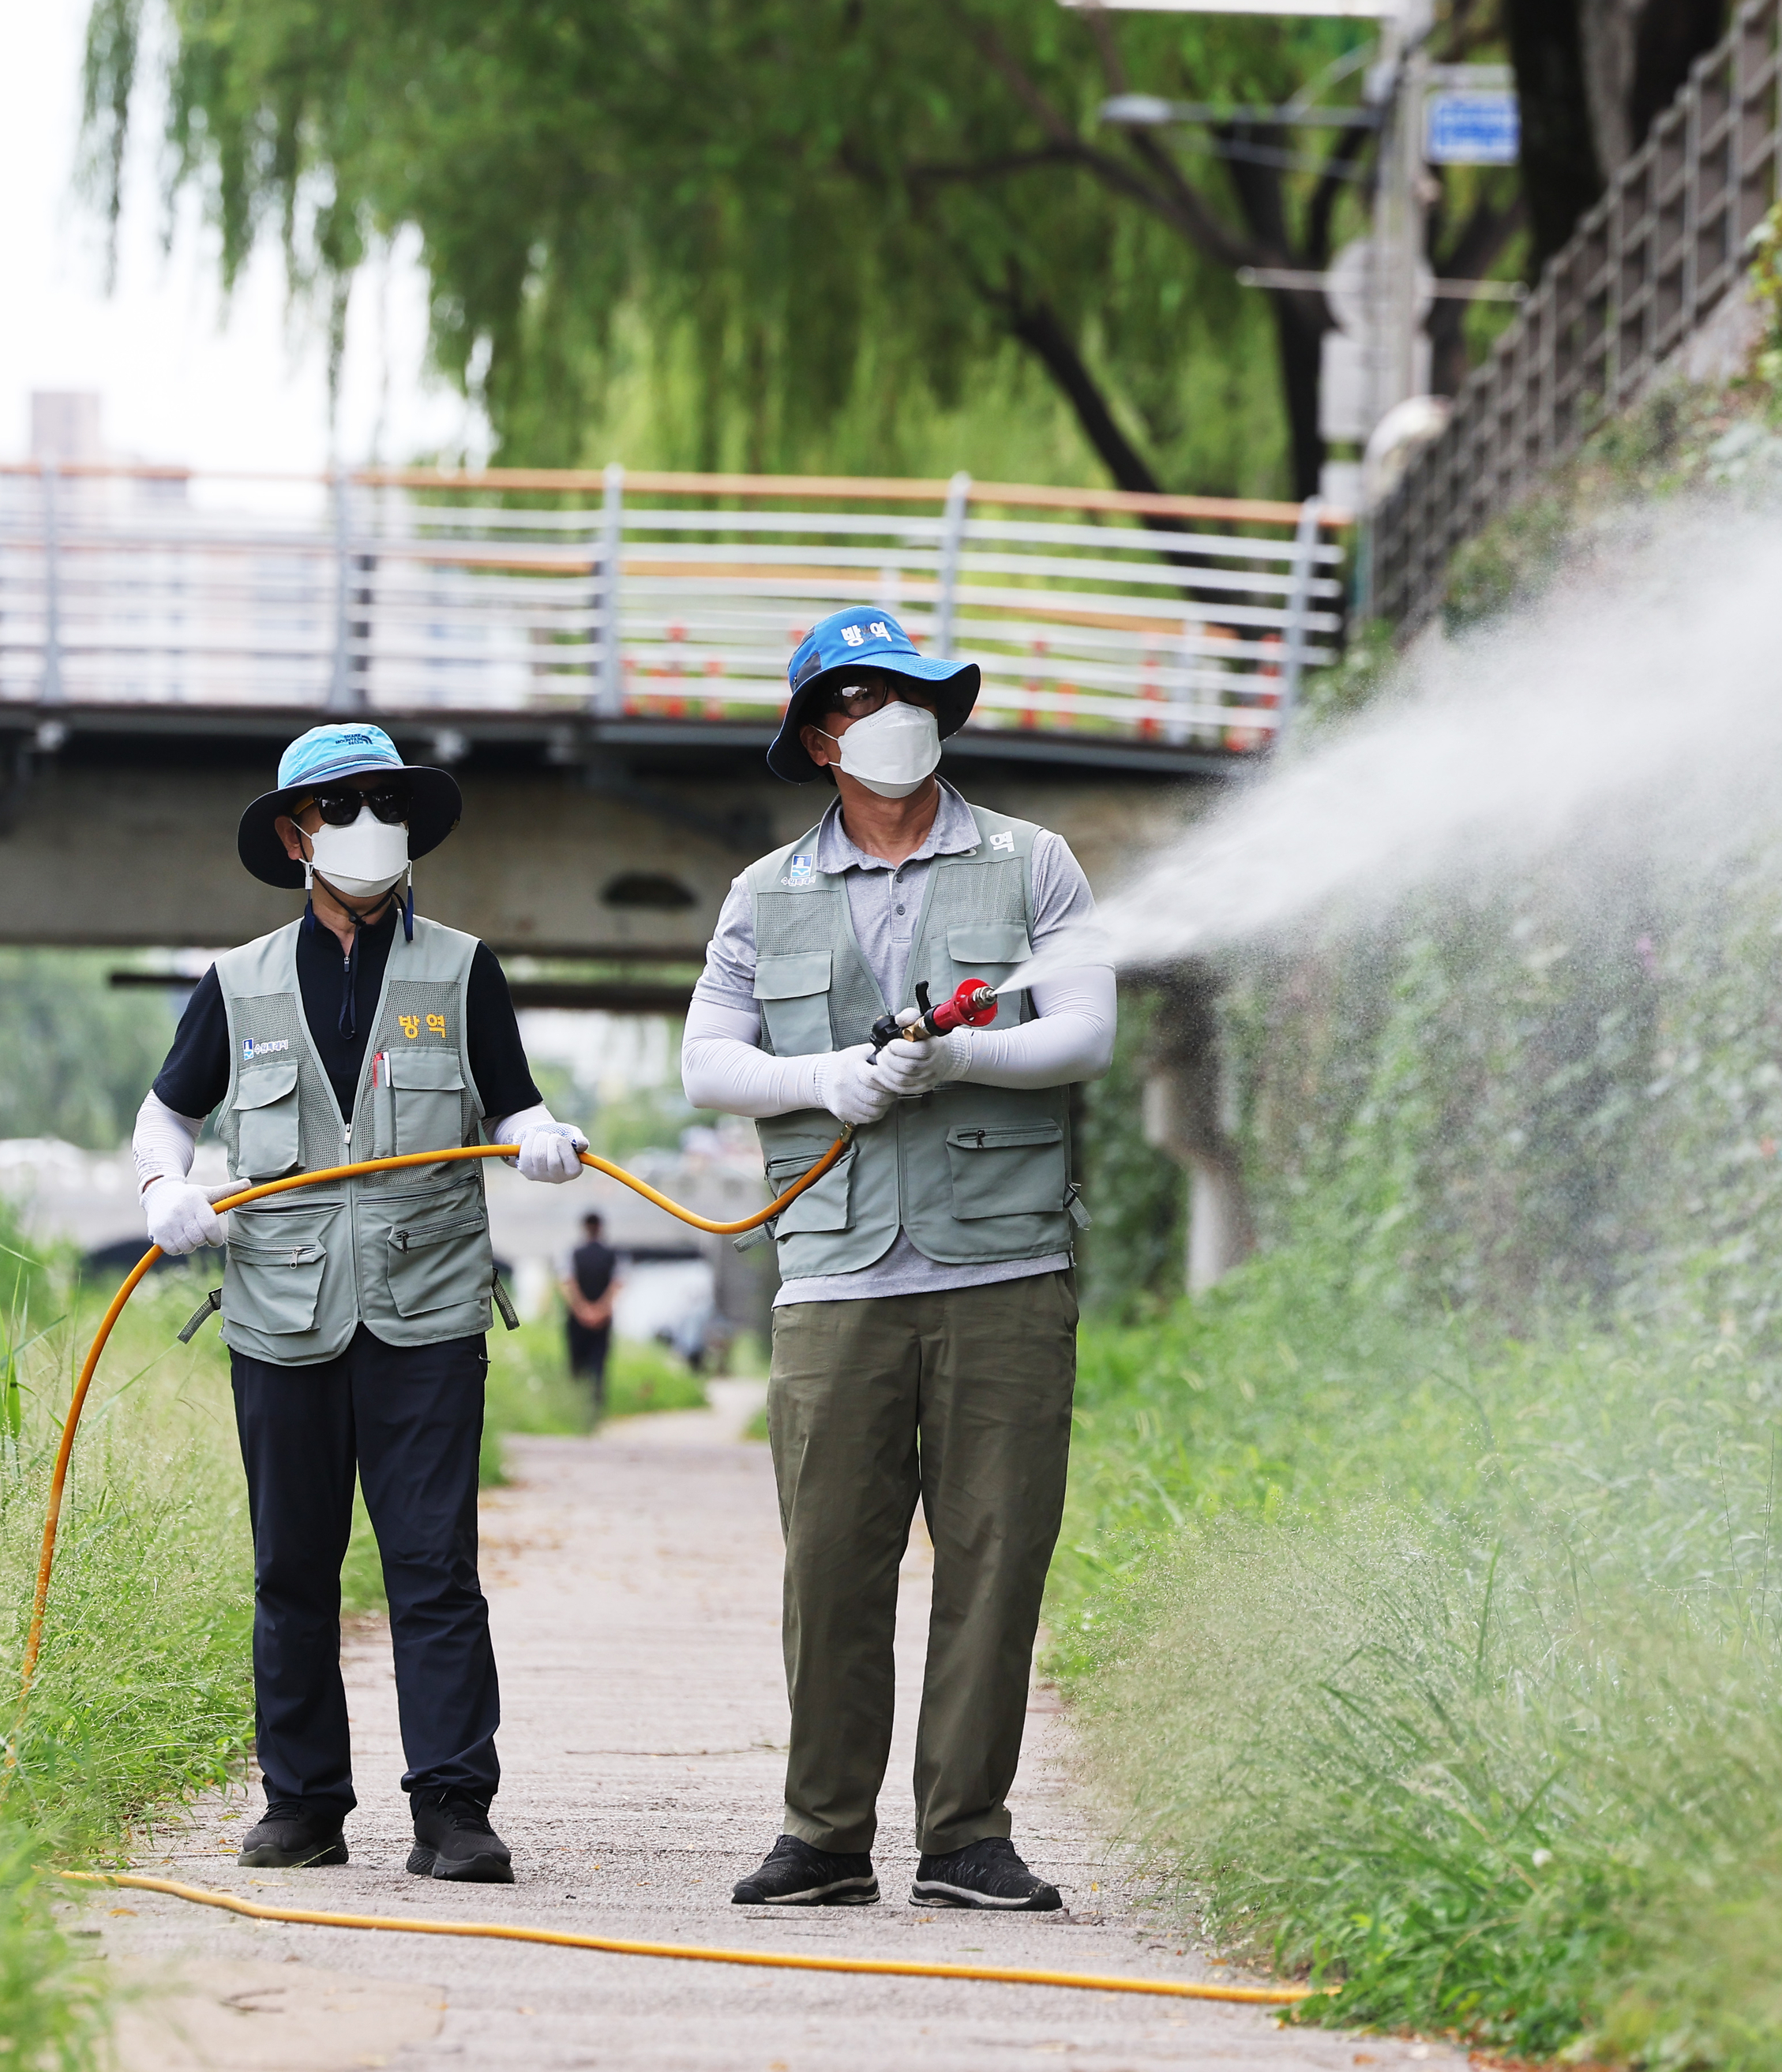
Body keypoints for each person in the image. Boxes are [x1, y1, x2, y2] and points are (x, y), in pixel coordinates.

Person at [678, 604, 1116, 1913]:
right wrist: (828, 1079)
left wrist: (963, 1054)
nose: (897, 717)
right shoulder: (765, 895)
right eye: (865, 701)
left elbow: (1084, 1031)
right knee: (831, 1569)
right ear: (820, 737)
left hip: (1003, 1270)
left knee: (995, 1561)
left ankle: (967, 1838)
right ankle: (822, 1837)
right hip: (835, 1278)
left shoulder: (1035, 863)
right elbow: (707, 1064)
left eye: (914, 693)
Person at [131, 722, 590, 1880]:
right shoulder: (236, 983)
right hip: (281, 1317)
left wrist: (538, 1139)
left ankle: (452, 1805)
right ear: (296, 835)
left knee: (434, 1562)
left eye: (384, 803)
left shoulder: (464, 968)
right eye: (340, 808)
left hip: (427, 1311)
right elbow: (168, 1113)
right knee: (293, 1563)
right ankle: (303, 1805)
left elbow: (514, 1105)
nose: (366, 826)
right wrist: (161, 1185)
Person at [561, 1211, 620, 1417]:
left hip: (577, 1319)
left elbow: (568, 1284)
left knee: (577, 1363)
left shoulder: (574, 1253)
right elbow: (616, 1285)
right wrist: (600, 1310)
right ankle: (596, 1409)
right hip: (603, 1319)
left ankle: (577, 1407)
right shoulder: (612, 1254)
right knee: (599, 1365)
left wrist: (582, 1309)